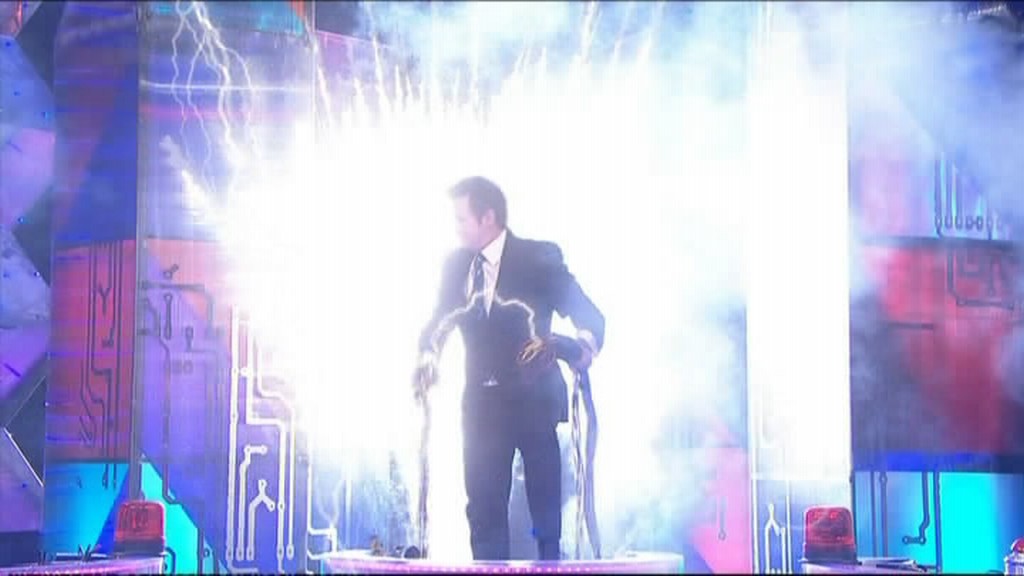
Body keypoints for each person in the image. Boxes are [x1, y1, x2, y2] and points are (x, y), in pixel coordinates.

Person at [414, 176, 605, 561]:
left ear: (488, 217)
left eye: (461, 219)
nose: (456, 228)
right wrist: (427, 357)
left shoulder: (539, 259)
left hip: (534, 404)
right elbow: (437, 322)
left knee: (545, 519)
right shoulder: (456, 266)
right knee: (483, 517)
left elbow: (589, 316)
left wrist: (575, 347)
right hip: (482, 411)